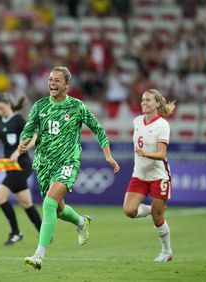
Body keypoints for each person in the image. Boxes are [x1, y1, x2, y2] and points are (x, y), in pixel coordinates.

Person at [18, 66, 120, 270]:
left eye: (57, 80)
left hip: (68, 162)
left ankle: (39, 255)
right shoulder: (39, 106)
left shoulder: (76, 107)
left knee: (48, 204)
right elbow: (28, 130)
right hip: (44, 164)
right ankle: (82, 222)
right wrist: (24, 142)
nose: (52, 83)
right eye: (50, 80)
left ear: (67, 85)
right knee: (58, 209)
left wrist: (108, 155)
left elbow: (98, 129)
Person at [0, 93, 42, 246]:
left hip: (22, 166)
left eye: (1, 108)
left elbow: (34, 138)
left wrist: (18, 152)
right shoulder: (0, 124)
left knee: (0, 197)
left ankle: (16, 233)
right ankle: (44, 232)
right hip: (10, 167)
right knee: (26, 202)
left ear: (8, 103)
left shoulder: (19, 120)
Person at [122, 89, 176, 262]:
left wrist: (145, 153)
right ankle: (152, 210)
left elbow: (161, 154)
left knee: (158, 217)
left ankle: (167, 252)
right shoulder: (137, 121)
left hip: (158, 176)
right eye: (143, 99)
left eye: (148, 100)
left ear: (157, 104)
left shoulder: (162, 125)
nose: (144, 102)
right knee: (129, 210)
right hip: (139, 174)